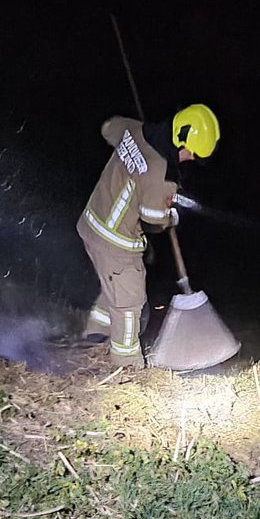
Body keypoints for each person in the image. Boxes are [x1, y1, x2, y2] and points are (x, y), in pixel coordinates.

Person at [77, 104, 220, 365]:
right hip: (115, 240)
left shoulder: (134, 130)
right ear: (180, 141)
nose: (190, 159)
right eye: (192, 153)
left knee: (117, 285)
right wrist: (171, 216)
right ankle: (127, 365)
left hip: (92, 222)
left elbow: (108, 128)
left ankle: (97, 335)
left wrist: (134, 150)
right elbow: (153, 220)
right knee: (129, 300)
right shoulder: (161, 174)